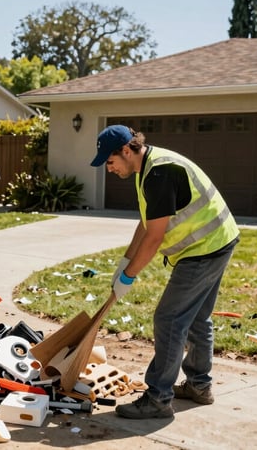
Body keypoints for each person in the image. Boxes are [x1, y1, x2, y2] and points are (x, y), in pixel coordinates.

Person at [90, 125, 239, 420]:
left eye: (110, 162)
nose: (109, 169)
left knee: (169, 318)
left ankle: (158, 398)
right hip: (217, 240)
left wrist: (129, 276)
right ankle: (199, 386)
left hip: (205, 248)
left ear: (126, 151)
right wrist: (125, 262)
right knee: (196, 317)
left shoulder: (159, 173)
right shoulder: (146, 168)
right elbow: (147, 222)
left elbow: (155, 238)